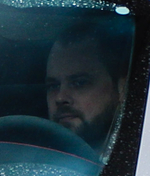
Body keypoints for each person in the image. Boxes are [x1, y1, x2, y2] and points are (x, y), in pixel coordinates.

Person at [43, 16, 132, 157]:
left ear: (122, 88)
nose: (60, 97)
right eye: (53, 86)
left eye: (79, 83)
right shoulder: (30, 157)